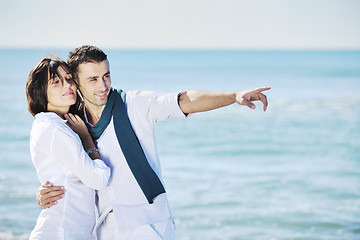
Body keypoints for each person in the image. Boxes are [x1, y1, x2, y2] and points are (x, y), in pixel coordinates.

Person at [36, 45, 271, 240]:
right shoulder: (74, 124)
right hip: (105, 230)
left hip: (148, 225)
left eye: (106, 76)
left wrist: (233, 96)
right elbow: (65, 168)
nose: (103, 85)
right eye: (93, 79)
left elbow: (184, 100)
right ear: (76, 82)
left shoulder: (135, 104)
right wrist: (42, 193)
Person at [26, 57, 111, 239]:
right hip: (61, 233)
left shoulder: (51, 124)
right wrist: (86, 139)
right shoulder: (55, 129)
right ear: (41, 91)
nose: (68, 86)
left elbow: (59, 173)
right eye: (56, 82)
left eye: (70, 78)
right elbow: (99, 180)